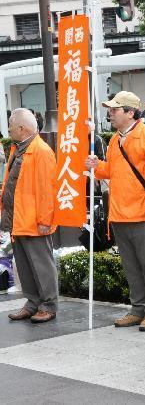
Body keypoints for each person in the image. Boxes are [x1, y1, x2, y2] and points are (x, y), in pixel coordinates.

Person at [84, 91, 145, 332]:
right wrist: (97, 167)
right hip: (118, 213)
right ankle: (138, 308)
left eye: (115, 109)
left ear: (130, 112)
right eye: (110, 109)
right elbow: (115, 172)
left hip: (141, 213)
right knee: (131, 265)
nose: (110, 112)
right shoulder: (114, 139)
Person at [3, 108, 58, 323]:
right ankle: (33, 302)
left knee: (42, 265)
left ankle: (48, 305)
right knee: (25, 266)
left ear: (21, 128)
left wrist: (45, 220)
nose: (8, 130)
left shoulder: (41, 151)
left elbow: (47, 190)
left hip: (34, 221)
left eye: (10, 126)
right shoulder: (18, 149)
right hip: (18, 219)